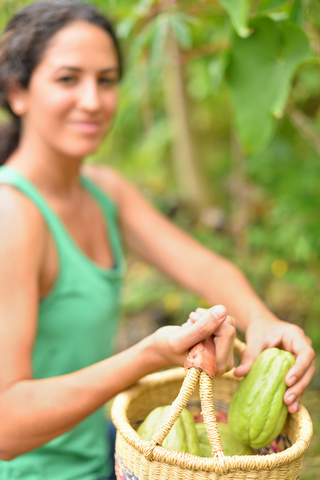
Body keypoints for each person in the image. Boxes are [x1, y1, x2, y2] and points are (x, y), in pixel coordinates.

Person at [0, 1, 315, 479]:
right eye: (68, 79)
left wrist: (262, 320)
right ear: (17, 92)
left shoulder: (103, 191)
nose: (93, 100)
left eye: (106, 80)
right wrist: (146, 356)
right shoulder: (12, 216)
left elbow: (206, 268)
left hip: (104, 450)